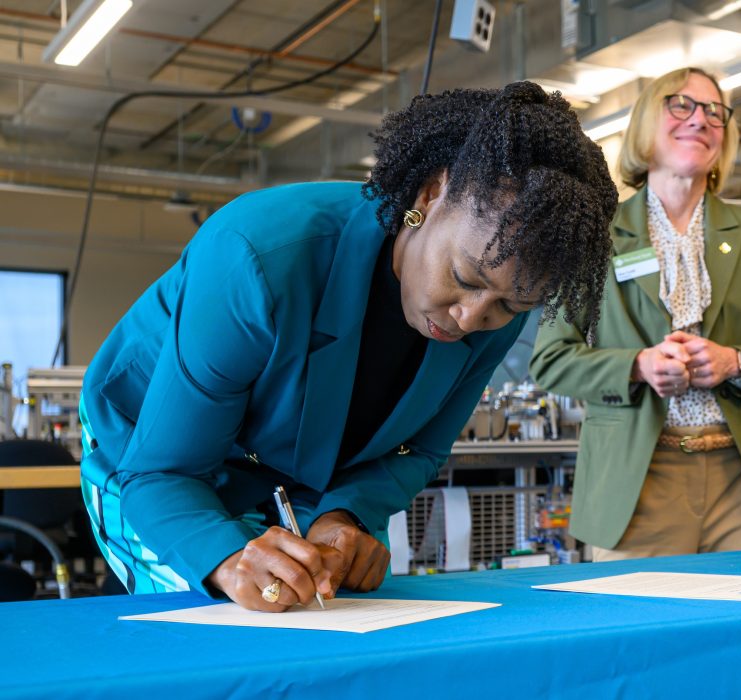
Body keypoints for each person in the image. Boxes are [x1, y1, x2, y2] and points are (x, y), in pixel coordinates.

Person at [80, 81, 618, 610]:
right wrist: (224, 559)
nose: (469, 318)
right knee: (211, 619)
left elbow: (420, 450)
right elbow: (162, 472)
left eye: (510, 307)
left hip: (286, 478)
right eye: (465, 277)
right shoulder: (256, 257)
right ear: (430, 194)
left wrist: (344, 516)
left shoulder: (495, 306)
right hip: (144, 452)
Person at [530, 67, 741, 561]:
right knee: (640, 631)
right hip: (635, 480)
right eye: (681, 105)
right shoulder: (597, 231)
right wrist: (637, 366)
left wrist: (736, 363)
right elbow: (552, 360)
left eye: (713, 111)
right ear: (645, 124)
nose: (699, 119)